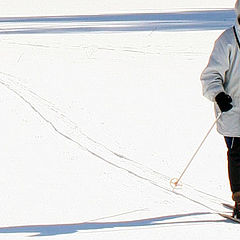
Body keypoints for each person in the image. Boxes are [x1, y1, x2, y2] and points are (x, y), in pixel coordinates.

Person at [201, 0, 240, 218]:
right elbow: (211, 76)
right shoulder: (227, 41)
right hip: (233, 111)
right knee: (237, 155)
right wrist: (218, 94)